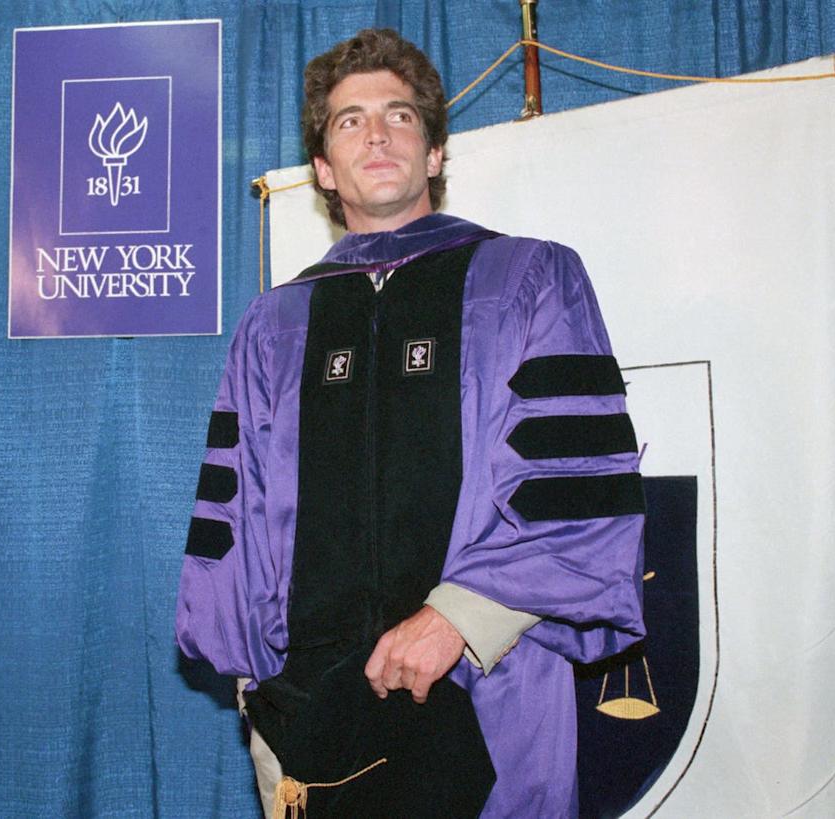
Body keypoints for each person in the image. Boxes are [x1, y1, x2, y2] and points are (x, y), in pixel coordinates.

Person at [176, 28, 645, 818]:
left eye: (399, 115)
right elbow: (241, 520)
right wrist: (263, 697)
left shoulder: (530, 279)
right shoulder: (275, 323)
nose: (377, 133)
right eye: (349, 121)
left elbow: (577, 490)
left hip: (486, 682)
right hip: (314, 715)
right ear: (323, 168)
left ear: (434, 154)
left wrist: (460, 618)